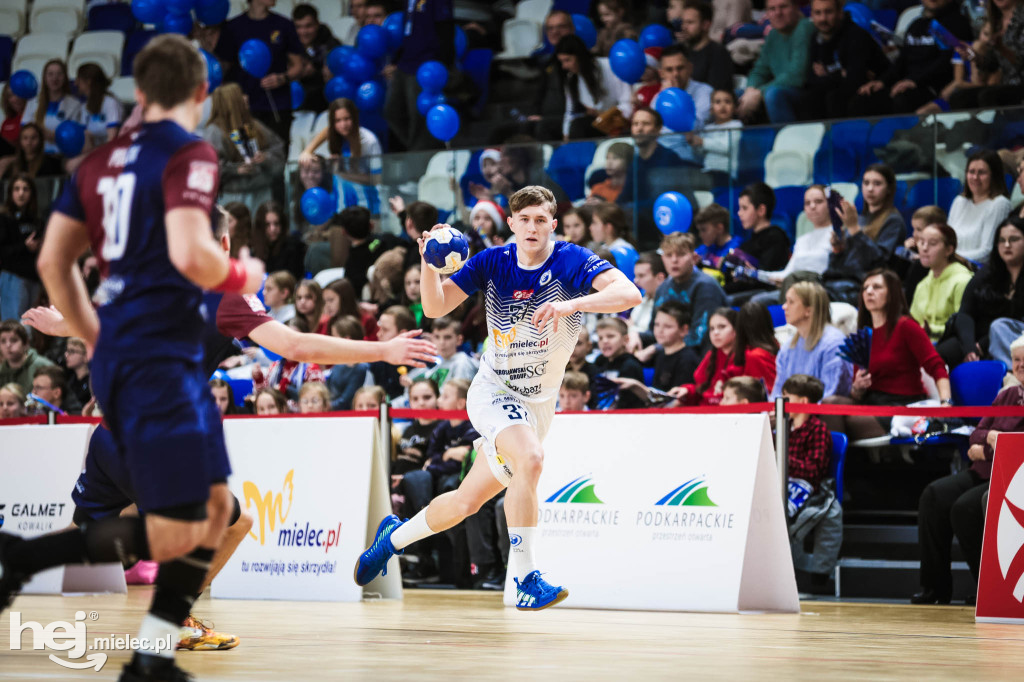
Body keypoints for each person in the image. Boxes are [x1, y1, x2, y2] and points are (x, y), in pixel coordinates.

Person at [0, 35, 267, 682]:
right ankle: (148, 644)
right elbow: (192, 252)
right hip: (160, 371)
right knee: (207, 516)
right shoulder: (190, 154)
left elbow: (50, 262)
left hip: (129, 365)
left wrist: (84, 331)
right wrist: (238, 272)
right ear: (202, 94)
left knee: (208, 513)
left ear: (140, 94)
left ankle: (140, 640)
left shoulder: (97, 164)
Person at [354, 185, 642, 610]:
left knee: (466, 502)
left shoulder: (571, 260)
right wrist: (427, 262)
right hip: (495, 391)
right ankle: (525, 576)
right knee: (532, 459)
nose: (532, 227)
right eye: (524, 219)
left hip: (539, 405)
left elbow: (630, 295)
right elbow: (435, 309)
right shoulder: (493, 261)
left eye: (541, 220)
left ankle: (392, 537)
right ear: (510, 224)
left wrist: (569, 305)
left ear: (553, 225)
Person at [913, 334, 1024, 605]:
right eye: (1016, 360)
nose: (1020, 365)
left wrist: (988, 447)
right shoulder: (1008, 394)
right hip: (983, 470)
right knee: (934, 495)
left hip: (1011, 478)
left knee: (965, 508)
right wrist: (989, 440)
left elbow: (1006, 447)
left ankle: (986, 589)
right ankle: (935, 588)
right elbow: (977, 432)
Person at [822, 269, 951, 443]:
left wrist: (946, 403)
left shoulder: (906, 326)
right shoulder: (864, 335)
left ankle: (838, 468)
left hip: (901, 404)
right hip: (872, 401)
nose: (868, 291)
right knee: (829, 404)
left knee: (842, 421)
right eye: (865, 288)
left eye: (876, 287)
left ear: (892, 294)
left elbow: (936, 366)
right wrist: (857, 389)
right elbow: (856, 393)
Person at [850, 0, 974, 116]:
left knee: (903, 99)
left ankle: (906, 138)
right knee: (864, 98)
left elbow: (946, 61)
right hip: (907, 84)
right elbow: (902, 60)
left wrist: (915, 81)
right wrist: (882, 81)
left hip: (933, 87)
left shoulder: (956, 24)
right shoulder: (916, 25)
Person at [215, 0, 306, 144]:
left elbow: (298, 66)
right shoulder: (233, 27)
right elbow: (222, 68)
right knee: (250, 157)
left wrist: (282, 78)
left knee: (278, 157)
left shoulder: (284, 25)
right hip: (245, 107)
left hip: (277, 106)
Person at [824, 164, 906, 304]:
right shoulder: (859, 219)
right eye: (866, 183)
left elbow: (880, 262)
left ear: (888, 189)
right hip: (842, 281)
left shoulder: (893, 221)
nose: (870, 189)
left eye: (877, 184)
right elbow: (837, 266)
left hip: (865, 286)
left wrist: (855, 230)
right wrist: (838, 249)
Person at [669, 304, 777, 405]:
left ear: (736, 330)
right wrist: (687, 391)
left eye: (722, 327)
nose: (715, 333)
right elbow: (701, 390)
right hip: (704, 412)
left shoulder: (748, 356)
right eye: (712, 329)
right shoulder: (711, 355)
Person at [202, 83, 285, 208]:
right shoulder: (215, 131)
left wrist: (265, 158)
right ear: (231, 101)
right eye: (240, 94)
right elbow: (209, 166)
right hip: (234, 196)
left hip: (262, 191)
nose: (245, 97)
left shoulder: (255, 125)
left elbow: (279, 150)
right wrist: (235, 170)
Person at [750, 185, 835, 304]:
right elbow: (786, 274)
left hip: (819, 291)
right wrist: (755, 274)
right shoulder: (802, 240)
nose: (812, 206)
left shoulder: (837, 236)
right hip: (793, 288)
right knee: (756, 300)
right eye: (807, 203)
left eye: (819, 201)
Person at [804, 0, 889, 119]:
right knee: (811, 97)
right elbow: (810, 79)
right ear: (811, 15)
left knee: (835, 98)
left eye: (828, 12)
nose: (823, 18)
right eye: (818, 13)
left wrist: (828, 75)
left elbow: (855, 80)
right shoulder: (816, 37)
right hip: (839, 88)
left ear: (840, 13)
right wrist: (840, 74)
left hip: (876, 90)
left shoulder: (856, 36)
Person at [770, 281, 853, 400]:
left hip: (820, 415)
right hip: (792, 414)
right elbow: (778, 391)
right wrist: (775, 411)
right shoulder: (788, 347)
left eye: (791, 302)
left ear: (808, 310)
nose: (784, 307)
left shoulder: (834, 343)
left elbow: (830, 393)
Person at [298, 98, 383, 214]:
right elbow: (327, 131)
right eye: (337, 120)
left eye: (347, 119)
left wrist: (342, 173)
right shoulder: (336, 135)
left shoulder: (369, 141)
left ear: (354, 117)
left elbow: (376, 179)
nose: (343, 125)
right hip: (341, 208)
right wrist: (307, 151)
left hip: (367, 208)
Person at [736, 0, 815, 123]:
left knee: (773, 94)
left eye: (783, 7)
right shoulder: (773, 34)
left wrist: (758, 93)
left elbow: (797, 75)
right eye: (772, 9)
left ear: (795, 8)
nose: (778, 13)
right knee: (735, 96)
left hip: (806, 92)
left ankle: (787, 139)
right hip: (780, 89)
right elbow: (759, 70)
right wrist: (750, 90)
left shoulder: (804, 27)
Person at [650, 231, 727, 350]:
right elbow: (653, 331)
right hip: (669, 353)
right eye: (669, 255)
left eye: (681, 254)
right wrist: (635, 336)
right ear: (662, 258)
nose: (674, 260)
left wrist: (656, 348)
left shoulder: (706, 287)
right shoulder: (662, 288)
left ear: (694, 258)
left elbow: (700, 336)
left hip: (699, 356)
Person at [963, 218, 1024, 368]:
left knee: (999, 327)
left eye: (1014, 239)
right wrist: (970, 347)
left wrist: (984, 343)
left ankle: (1014, 375)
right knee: (949, 350)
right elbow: (965, 312)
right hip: (991, 338)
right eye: (1002, 240)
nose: (1007, 245)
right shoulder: (989, 272)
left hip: (1014, 335)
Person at [554, 34, 633, 140]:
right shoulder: (571, 78)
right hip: (595, 123)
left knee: (579, 126)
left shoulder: (609, 66)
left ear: (579, 56)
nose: (564, 66)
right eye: (561, 62)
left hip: (618, 122)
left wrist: (606, 116)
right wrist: (566, 134)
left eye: (567, 60)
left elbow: (627, 103)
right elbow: (570, 111)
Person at [909, 223, 974, 342]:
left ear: (949, 250)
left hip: (950, 343)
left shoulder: (963, 281)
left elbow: (963, 325)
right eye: (921, 242)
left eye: (932, 243)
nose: (924, 248)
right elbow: (914, 321)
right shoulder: (923, 284)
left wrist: (931, 330)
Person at [947, 150, 1011, 263]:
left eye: (981, 172)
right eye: (971, 172)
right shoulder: (959, 201)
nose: (975, 177)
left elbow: (987, 252)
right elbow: (946, 241)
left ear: (994, 176)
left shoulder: (1000, 204)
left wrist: (950, 258)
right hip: (951, 264)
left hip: (977, 271)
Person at [0, 173, 43, 321]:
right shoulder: (4, 219)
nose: (21, 193)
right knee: (14, 324)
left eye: (25, 189)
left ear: (32, 193)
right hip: (13, 277)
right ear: (10, 192)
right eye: (17, 189)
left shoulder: (37, 220)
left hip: (34, 277)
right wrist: (24, 247)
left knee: (33, 325)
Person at [21, 59, 83, 154]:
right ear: (45, 78)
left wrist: (49, 135)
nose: (55, 78)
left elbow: (74, 137)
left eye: (59, 74)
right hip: (36, 154)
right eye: (50, 74)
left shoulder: (74, 104)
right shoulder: (33, 102)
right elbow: (24, 130)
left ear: (65, 78)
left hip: (61, 155)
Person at [403, 316, 478, 390]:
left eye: (447, 337)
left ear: (459, 340)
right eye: (437, 337)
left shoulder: (462, 363)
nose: (442, 342)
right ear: (432, 338)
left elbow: (459, 396)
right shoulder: (439, 364)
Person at [292, 3, 340, 114]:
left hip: (324, 104)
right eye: (298, 27)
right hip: (297, 105)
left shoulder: (331, 45)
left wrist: (316, 72)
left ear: (317, 24)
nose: (303, 32)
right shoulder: (289, 46)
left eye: (308, 26)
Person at [677, 0, 734, 92]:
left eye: (690, 22)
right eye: (683, 22)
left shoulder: (719, 54)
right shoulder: (681, 52)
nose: (684, 27)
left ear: (705, 25)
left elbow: (717, 93)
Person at [593, 316, 645, 409]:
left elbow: (629, 404)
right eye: (600, 338)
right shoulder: (600, 361)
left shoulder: (630, 365)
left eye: (610, 336)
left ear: (626, 340)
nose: (604, 341)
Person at [691, 89, 741, 186]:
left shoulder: (736, 125)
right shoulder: (708, 128)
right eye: (718, 102)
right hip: (708, 172)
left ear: (735, 108)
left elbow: (727, 146)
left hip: (726, 174)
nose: (723, 106)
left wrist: (702, 142)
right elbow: (700, 152)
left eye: (727, 102)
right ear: (711, 109)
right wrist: (694, 143)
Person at [250, 200, 306, 281]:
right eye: (267, 225)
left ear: (282, 225)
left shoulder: (294, 247)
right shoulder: (254, 249)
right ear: (260, 227)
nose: (272, 229)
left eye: (276, 224)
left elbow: (294, 279)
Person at [0, 318, 55, 394]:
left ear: (26, 344)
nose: (8, 345)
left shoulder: (44, 366)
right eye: (3, 341)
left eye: (13, 340)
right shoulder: (1, 370)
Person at [74, 63, 122, 149]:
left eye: (79, 79)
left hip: (108, 153)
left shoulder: (110, 102)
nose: (76, 83)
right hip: (92, 153)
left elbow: (112, 138)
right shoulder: (85, 106)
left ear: (89, 81)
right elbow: (84, 139)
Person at [589, 203, 639, 280]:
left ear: (608, 227)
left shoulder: (623, 252)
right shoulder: (604, 247)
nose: (590, 227)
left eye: (595, 223)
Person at [627, 251, 666, 340]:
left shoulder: (666, 305)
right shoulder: (644, 297)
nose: (635, 281)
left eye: (641, 276)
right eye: (635, 275)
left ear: (660, 278)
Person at [63, 336, 92, 409]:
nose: (66, 355)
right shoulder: (69, 379)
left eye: (72, 351)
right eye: (67, 350)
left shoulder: (93, 382)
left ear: (86, 356)